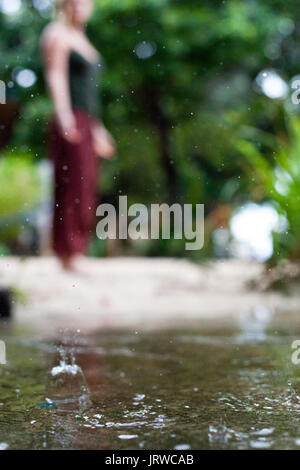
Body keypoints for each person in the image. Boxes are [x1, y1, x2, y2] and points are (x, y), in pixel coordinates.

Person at [41, 0, 115, 271]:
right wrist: (64, 116)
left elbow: (90, 95)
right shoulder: (57, 33)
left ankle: (75, 250)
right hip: (70, 117)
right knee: (72, 184)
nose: (80, 5)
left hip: (87, 120)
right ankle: (69, 253)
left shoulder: (84, 39)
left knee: (86, 185)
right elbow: (56, 75)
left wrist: (98, 129)